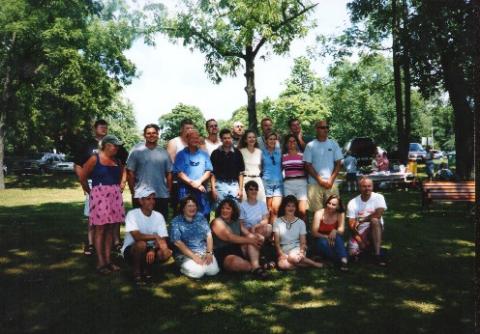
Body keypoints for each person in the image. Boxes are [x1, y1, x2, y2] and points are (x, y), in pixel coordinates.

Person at [74, 119, 127, 256]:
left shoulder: (115, 146)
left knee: (113, 220)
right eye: (101, 127)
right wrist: (86, 186)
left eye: (105, 127)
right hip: (96, 185)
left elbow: (124, 164)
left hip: (113, 187)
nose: (104, 129)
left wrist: (123, 182)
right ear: (95, 128)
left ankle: (115, 243)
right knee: (94, 218)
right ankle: (91, 244)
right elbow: (79, 165)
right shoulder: (88, 146)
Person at [80, 135, 126, 274]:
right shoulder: (95, 158)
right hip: (100, 196)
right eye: (114, 145)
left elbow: (122, 173)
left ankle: (108, 260)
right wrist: (90, 191)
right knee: (100, 229)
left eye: (117, 146)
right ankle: (100, 262)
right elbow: (82, 175)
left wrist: (121, 185)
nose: (117, 148)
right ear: (106, 145)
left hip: (114, 196)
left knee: (111, 229)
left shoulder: (117, 160)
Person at [121, 187, 172, 285]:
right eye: (148, 199)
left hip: (150, 247)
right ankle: (136, 273)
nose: (152, 201)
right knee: (141, 244)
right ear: (141, 201)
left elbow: (163, 237)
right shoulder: (132, 214)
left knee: (165, 252)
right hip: (132, 249)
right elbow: (137, 237)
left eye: (153, 199)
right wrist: (155, 237)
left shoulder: (159, 216)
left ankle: (147, 269)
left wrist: (153, 249)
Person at [211, 198, 266, 278]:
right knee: (234, 262)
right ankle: (256, 267)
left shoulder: (236, 221)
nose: (224, 210)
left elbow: (248, 234)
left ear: (233, 211)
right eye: (222, 208)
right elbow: (229, 237)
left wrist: (257, 237)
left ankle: (256, 266)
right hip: (223, 252)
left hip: (237, 248)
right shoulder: (216, 222)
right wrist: (251, 240)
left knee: (252, 239)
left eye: (228, 208)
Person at [126, 124, 172, 219]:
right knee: (141, 225)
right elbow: (130, 173)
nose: (151, 135)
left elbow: (169, 173)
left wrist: (168, 190)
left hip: (160, 195)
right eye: (148, 133)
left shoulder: (164, 153)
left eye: (154, 133)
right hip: (141, 195)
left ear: (158, 135)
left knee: (160, 226)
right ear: (144, 135)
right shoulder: (136, 151)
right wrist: (133, 191)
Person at [170, 196, 219, 279]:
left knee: (213, 271)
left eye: (194, 205)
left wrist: (209, 252)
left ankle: (200, 266)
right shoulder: (176, 221)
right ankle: (183, 268)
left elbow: (208, 235)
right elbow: (177, 242)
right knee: (198, 273)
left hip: (203, 251)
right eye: (189, 206)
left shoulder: (200, 217)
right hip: (185, 254)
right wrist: (194, 256)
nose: (192, 208)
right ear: (183, 208)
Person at [273, 195, 323, 270]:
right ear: (284, 207)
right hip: (284, 250)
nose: (291, 208)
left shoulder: (300, 222)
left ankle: (315, 264)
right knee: (282, 265)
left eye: (293, 206)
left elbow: (303, 242)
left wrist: (302, 252)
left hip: (297, 248)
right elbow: (276, 242)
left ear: (296, 208)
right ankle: (306, 264)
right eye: (288, 206)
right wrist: (281, 254)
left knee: (292, 257)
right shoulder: (277, 221)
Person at [347, 177, 388, 266]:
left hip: (374, 227)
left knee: (374, 220)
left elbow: (378, 214)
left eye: (369, 186)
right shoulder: (353, 202)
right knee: (352, 255)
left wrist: (362, 219)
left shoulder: (378, 197)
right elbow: (351, 224)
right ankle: (367, 249)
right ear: (359, 187)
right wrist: (360, 241)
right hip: (359, 231)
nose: (367, 189)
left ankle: (377, 254)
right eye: (364, 186)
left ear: (372, 187)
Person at [304, 120, 343, 212]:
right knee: (317, 212)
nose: (325, 129)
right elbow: (307, 165)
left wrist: (331, 179)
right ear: (316, 129)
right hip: (314, 184)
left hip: (331, 184)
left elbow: (338, 163)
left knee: (333, 211)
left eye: (327, 127)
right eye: (322, 127)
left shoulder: (334, 144)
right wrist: (320, 180)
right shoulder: (310, 145)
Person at [173, 129, 212, 218]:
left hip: (201, 190)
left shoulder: (204, 154)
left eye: (197, 138)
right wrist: (194, 184)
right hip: (186, 191)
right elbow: (179, 173)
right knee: (186, 216)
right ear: (187, 139)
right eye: (192, 138)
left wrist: (198, 182)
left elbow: (208, 171)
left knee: (203, 216)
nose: (195, 140)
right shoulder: (181, 154)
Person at [311, 195, 348, 271]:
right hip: (320, 239)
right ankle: (340, 259)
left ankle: (343, 260)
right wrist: (327, 237)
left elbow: (341, 230)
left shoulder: (340, 213)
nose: (330, 206)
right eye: (329, 203)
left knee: (337, 237)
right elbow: (314, 233)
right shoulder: (319, 213)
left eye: (333, 205)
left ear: (338, 206)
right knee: (323, 242)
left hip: (334, 240)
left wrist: (335, 230)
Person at [210, 129, 245, 206]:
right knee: (220, 210)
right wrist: (213, 189)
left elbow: (241, 173)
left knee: (235, 211)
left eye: (229, 138)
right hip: (220, 185)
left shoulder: (237, 153)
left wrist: (241, 189)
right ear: (221, 139)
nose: (227, 140)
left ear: (231, 139)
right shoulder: (215, 153)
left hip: (234, 185)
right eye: (225, 138)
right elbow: (212, 173)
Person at [281, 134, 308, 222]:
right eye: (289, 141)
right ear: (286, 144)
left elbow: (307, 169)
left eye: (294, 141)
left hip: (301, 183)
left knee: (302, 211)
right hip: (288, 184)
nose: (292, 143)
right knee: (290, 211)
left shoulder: (303, 155)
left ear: (297, 143)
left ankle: (302, 233)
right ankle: (291, 232)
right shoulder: (283, 157)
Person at [238, 130, 266, 203]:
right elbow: (239, 170)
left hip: (257, 180)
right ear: (245, 140)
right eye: (249, 137)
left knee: (261, 202)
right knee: (245, 204)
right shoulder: (241, 151)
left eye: (253, 137)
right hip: (246, 180)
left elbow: (261, 167)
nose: (252, 139)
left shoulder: (259, 152)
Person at [262, 132, 283, 224]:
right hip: (267, 183)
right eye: (270, 139)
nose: (272, 141)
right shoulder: (261, 153)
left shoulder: (279, 152)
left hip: (279, 183)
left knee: (275, 209)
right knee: (268, 210)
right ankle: (267, 232)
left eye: (274, 139)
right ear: (266, 141)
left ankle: (274, 235)